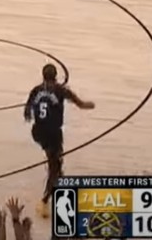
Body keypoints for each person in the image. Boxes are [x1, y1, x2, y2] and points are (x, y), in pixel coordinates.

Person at [24, 64, 94, 219]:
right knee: (55, 168)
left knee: (55, 164)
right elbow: (80, 104)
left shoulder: (35, 90)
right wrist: (90, 105)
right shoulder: (61, 90)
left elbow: (27, 114)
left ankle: (56, 187)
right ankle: (44, 201)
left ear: (43, 76)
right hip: (53, 134)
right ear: (56, 76)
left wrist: (34, 111)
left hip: (37, 132)